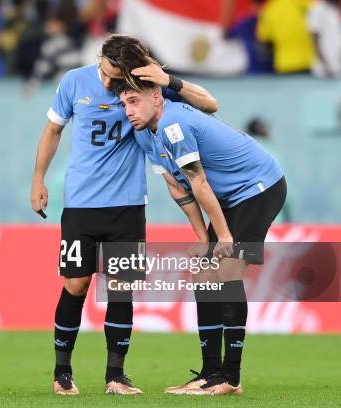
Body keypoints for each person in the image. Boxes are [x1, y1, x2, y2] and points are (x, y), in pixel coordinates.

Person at [30, 34, 219, 396]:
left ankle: (116, 376)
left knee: (120, 290)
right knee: (76, 284)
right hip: (81, 205)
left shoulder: (143, 85)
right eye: (107, 72)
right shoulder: (73, 82)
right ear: (100, 59)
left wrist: (169, 80)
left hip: (128, 205)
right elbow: (53, 130)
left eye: (116, 78)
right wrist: (38, 179)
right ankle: (61, 373)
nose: (108, 82)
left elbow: (209, 104)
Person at [115, 75, 286, 396]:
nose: (128, 111)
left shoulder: (173, 125)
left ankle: (230, 378)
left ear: (157, 98)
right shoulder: (143, 134)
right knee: (205, 275)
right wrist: (202, 237)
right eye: (124, 104)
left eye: (134, 101)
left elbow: (200, 182)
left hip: (258, 188)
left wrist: (222, 236)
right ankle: (210, 373)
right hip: (228, 198)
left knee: (226, 271)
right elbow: (176, 185)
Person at [308, 0, 341, 78]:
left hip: (338, 66)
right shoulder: (317, 9)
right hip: (325, 69)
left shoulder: (334, 9)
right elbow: (314, 38)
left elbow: (338, 36)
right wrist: (324, 64)